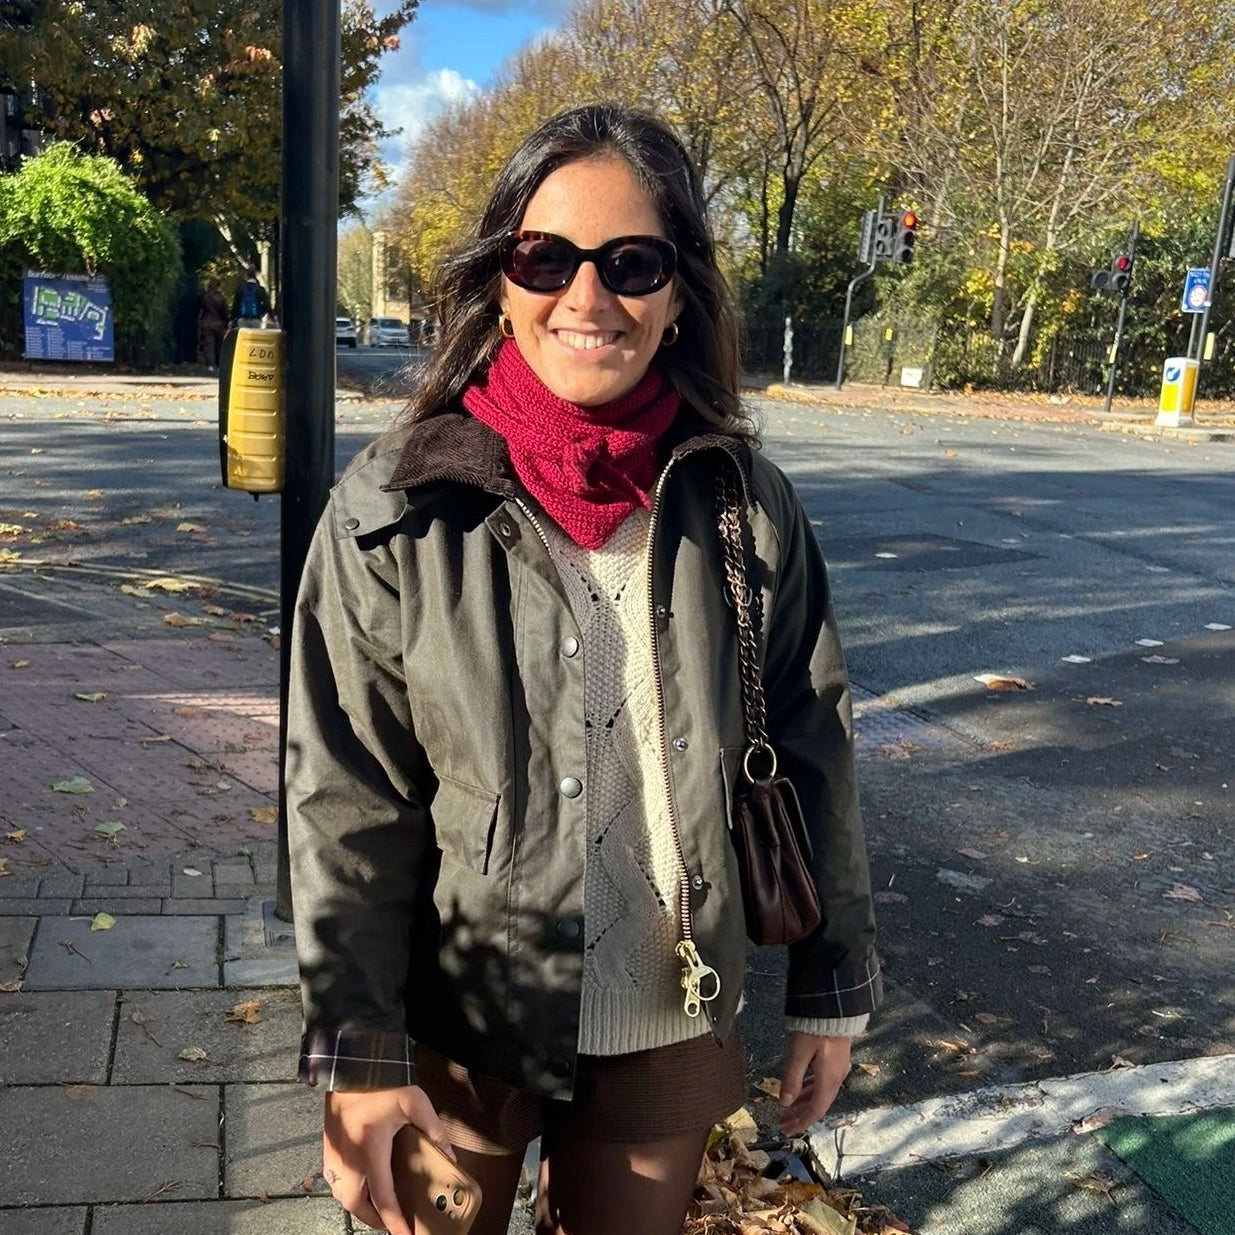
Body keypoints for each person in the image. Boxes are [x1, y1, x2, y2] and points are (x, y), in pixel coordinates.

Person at [287, 103, 881, 1235]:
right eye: (545, 257)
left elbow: (812, 745)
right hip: (456, 1016)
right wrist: (358, 1049)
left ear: (676, 293)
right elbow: (342, 798)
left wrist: (833, 983)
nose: (586, 296)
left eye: (631, 262)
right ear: (499, 279)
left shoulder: (744, 502)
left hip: (667, 1009)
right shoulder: (394, 507)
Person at [197, 280, 229, 370]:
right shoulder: (221, 298)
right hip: (219, 323)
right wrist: (226, 323)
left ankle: (210, 364)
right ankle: (219, 364)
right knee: (219, 344)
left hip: (207, 322)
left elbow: (200, 309)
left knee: (209, 344)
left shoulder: (205, 297)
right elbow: (224, 312)